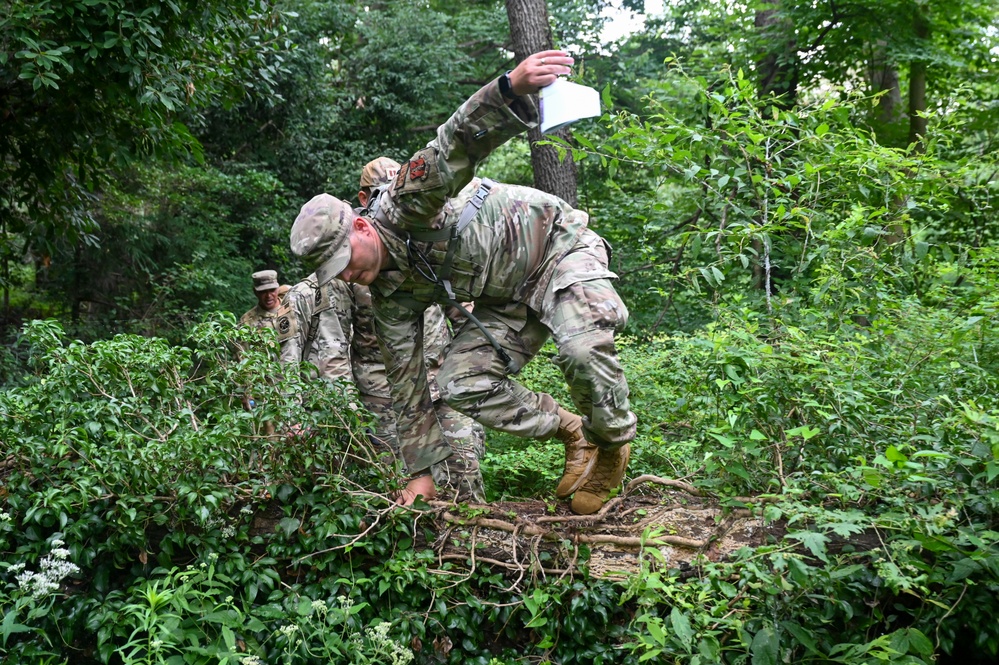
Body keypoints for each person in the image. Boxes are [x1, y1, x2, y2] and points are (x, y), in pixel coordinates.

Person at [290, 51, 636, 515]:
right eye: (336, 273)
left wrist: (510, 87)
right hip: (510, 298)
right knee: (460, 383)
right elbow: (407, 383)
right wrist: (421, 473)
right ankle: (572, 432)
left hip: (557, 249)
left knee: (581, 347)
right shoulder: (388, 295)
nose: (348, 276)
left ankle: (611, 447)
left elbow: (453, 144)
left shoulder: (405, 202)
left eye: (345, 261)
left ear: (359, 227)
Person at [351, 157, 486, 502]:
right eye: (378, 194)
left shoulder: (421, 238)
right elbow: (333, 345)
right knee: (406, 485)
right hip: (386, 398)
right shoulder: (350, 258)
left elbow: (460, 310)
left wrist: (478, 368)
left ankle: (481, 544)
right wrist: (348, 405)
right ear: (364, 199)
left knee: (465, 471)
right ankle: (418, 554)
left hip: (442, 384)